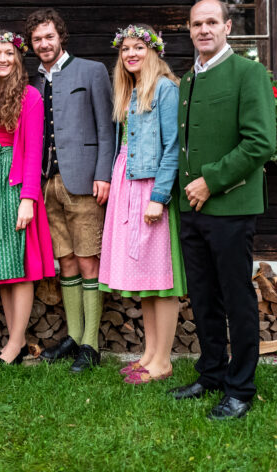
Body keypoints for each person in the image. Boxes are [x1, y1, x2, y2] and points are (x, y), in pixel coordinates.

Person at [169, 0, 275, 419]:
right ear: (189, 29)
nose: (204, 29)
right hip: (191, 208)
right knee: (203, 296)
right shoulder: (187, 80)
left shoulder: (249, 73)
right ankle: (211, 373)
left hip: (231, 206)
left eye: (212, 22)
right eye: (197, 23)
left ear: (228, 27)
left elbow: (260, 142)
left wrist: (211, 180)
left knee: (235, 298)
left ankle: (241, 388)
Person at [27, 8, 114, 373]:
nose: (44, 44)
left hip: (85, 180)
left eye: (49, 36)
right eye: (37, 39)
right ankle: (74, 336)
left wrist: (104, 173)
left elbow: (108, 126)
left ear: (60, 36)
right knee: (65, 261)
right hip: (48, 183)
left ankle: (91, 344)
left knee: (88, 259)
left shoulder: (92, 71)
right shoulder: (33, 81)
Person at [99, 24, 187, 384]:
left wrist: (158, 198)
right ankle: (150, 355)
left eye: (138, 47)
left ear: (154, 51)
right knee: (147, 280)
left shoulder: (165, 88)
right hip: (128, 185)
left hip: (150, 187)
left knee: (161, 279)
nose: (131, 54)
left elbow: (172, 147)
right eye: (125, 49)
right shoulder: (131, 90)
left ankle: (163, 361)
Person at [0, 30, 55, 365]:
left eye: (9, 53)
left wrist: (28, 198)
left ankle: (16, 344)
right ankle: (13, 341)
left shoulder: (29, 96)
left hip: (14, 181)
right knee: (1, 263)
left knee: (19, 263)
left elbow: (33, 151)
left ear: (18, 58)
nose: (2, 59)